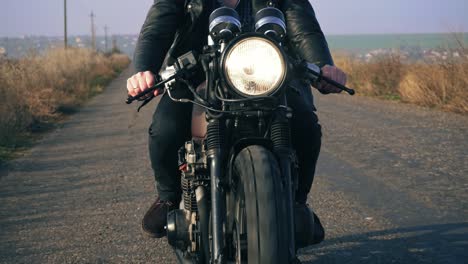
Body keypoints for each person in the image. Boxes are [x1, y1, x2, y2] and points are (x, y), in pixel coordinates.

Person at [127, 0, 347, 244]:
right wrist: (143, 70)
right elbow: (157, 28)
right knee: (165, 129)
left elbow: (303, 28)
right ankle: (168, 197)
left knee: (305, 125)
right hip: (197, 73)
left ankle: (296, 202)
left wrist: (323, 66)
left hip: (268, 74)